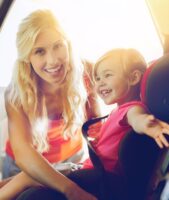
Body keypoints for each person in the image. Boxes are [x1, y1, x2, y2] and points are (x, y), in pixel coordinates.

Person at [0, 48, 169, 200]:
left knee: (27, 177)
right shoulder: (117, 110)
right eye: (98, 78)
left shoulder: (131, 109)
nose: (100, 83)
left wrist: (147, 124)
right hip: (88, 168)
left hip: (98, 175)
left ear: (133, 78)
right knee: (10, 182)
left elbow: (136, 117)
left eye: (108, 75)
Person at [0, 9, 99, 200]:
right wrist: (72, 190)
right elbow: (23, 151)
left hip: (72, 158)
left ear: (68, 44)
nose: (53, 60)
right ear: (27, 57)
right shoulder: (16, 91)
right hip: (25, 167)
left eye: (58, 46)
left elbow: (96, 126)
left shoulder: (86, 70)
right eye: (39, 51)